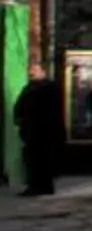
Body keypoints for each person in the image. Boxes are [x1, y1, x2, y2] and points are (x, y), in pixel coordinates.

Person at [13, 63, 62, 196]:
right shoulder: (30, 87)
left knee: (40, 160)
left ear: (43, 71)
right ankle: (39, 186)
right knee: (33, 159)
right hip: (31, 130)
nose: (31, 73)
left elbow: (51, 111)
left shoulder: (48, 88)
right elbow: (21, 105)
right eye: (30, 70)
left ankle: (40, 186)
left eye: (35, 70)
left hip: (42, 131)